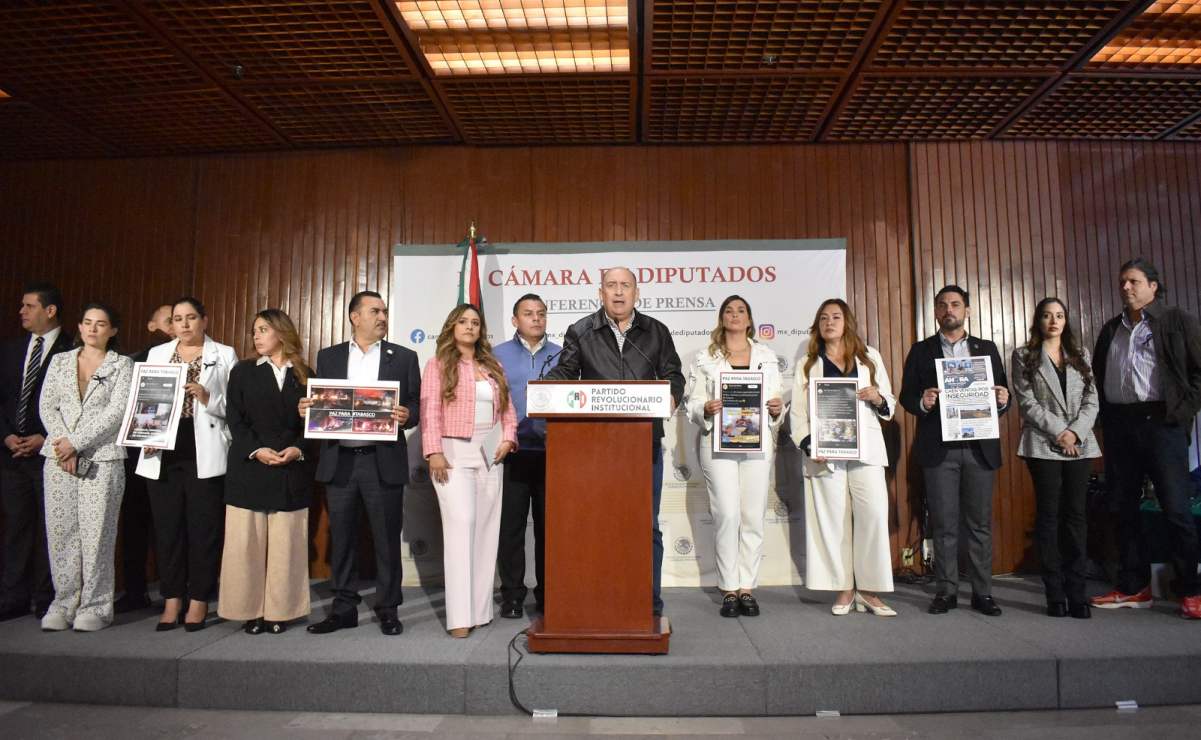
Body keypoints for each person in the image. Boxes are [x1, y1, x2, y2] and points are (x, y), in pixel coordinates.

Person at [545, 266, 685, 617]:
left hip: (644, 442)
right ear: (600, 293)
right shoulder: (581, 331)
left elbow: (673, 373)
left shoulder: (655, 331)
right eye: (611, 286)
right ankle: (600, 595)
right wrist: (547, 388)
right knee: (599, 522)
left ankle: (648, 602)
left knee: (646, 524)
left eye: (625, 286)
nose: (618, 292)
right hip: (595, 447)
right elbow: (565, 372)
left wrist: (671, 396)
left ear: (637, 293)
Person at [299, 290, 419, 637]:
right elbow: (323, 403)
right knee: (343, 538)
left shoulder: (404, 357)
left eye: (384, 311)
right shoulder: (329, 356)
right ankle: (343, 608)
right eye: (374, 311)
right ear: (354, 317)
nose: (382, 317)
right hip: (341, 460)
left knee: (385, 539)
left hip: (381, 461)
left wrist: (407, 413)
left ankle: (388, 608)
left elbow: (414, 403)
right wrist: (309, 410)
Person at [1090, 258, 1201, 619]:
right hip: (1121, 425)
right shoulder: (1111, 329)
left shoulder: (1176, 321)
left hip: (1162, 423)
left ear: (1154, 286)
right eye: (1123, 282)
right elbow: (1099, 377)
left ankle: (1190, 592)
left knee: (1176, 510)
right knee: (1122, 507)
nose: (1126, 288)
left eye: (1134, 281)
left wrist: (1182, 412)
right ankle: (1134, 587)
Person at [899, 285, 1010, 616]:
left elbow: (1001, 394)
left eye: (956, 304)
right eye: (943, 305)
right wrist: (924, 402)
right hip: (939, 449)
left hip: (979, 448)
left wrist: (1003, 402)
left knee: (979, 525)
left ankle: (982, 593)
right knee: (944, 524)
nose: (949, 310)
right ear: (935, 312)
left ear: (967, 310)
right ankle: (946, 591)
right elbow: (906, 396)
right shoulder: (921, 350)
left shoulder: (986, 349)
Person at [790, 299, 897, 617]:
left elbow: (889, 402)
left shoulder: (870, 357)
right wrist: (809, 444)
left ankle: (869, 590)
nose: (829, 322)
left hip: (866, 449)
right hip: (826, 453)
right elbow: (797, 413)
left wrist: (877, 397)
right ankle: (844, 589)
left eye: (835, 317)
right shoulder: (808, 364)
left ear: (847, 322)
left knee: (874, 515)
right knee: (833, 520)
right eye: (823, 317)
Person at [136, 297, 237, 631]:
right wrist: (142, 430)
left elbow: (236, 407)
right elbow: (143, 404)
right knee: (168, 530)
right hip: (163, 448)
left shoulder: (224, 354)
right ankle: (172, 599)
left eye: (191, 318)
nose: (184, 324)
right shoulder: (157, 355)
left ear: (204, 320)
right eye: (177, 319)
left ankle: (199, 600)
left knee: (203, 529)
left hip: (203, 448)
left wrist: (208, 397)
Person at [421, 304, 518, 637]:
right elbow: (430, 410)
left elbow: (508, 410)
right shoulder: (438, 365)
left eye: (475, 322)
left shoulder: (492, 365)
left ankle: (480, 611)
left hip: (490, 453)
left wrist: (509, 438)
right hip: (452, 451)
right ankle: (460, 618)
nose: (469, 327)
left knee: (486, 531)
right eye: (463, 321)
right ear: (452, 327)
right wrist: (433, 450)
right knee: (461, 528)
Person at [684, 296, 783, 618]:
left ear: (750, 319)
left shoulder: (767, 357)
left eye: (741, 311)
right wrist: (705, 409)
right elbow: (692, 404)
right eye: (729, 311)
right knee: (726, 514)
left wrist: (777, 410)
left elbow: (776, 404)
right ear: (721, 318)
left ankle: (747, 588)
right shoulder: (705, 358)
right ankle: (728, 588)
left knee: (752, 515)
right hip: (718, 443)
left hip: (757, 443)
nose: (735, 315)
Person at [37, 303, 133, 631]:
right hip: (58, 457)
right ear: (78, 327)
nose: (93, 329)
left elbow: (117, 411)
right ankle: (63, 602)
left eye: (101, 324)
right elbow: (48, 406)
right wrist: (64, 445)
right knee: (61, 531)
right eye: (87, 323)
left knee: (97, 533)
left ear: (113, 330)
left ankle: (95, 605)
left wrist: (77, 442)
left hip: (102, 457)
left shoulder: (122, 365)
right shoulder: (60, 361)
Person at [218, 309, 313, 635]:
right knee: (246, 546)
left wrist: (298, 448)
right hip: (250, 467)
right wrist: (256, 450)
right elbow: (235, 419)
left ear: (282, 333)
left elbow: (317, 424)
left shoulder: (305, 374)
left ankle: (280, 612)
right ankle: (249, 612)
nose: (256, 336)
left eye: (263, 330)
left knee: (287, 545)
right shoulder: (243, 372)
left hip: (290, 468)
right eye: (254, 330)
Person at [1011, 297, 1100, 620]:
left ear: (1066, 321)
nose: (1054, 321)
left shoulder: (1080, 355)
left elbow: (1092, 400)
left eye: (1060, 315)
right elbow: (1027, 401)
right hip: (1044, 444)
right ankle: (1055, 595)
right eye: (1047, 315)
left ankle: (1078, 594)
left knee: (1076, 517)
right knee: (1048, 517)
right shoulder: (1023, 356)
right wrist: (1060, 432)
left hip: (1080, 445)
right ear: (1038, 320)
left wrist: (1075, 433)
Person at [0, 282, 73, 621]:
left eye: (29, 306)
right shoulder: (12, 350)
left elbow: (75, 406)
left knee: (51, 528)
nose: (22, 312)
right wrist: (6, 436)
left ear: (50, 310)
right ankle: (13, 596)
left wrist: (47, 437)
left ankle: (47, 596)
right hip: (12, 454)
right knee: (16, 526)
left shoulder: (72, 350)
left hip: (52, 452)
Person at [493, 293, 560, 618]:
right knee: (511, 528)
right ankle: (513, 595)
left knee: (550, 529)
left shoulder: (563, 355)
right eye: (528, 313)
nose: (536, 319)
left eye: (541, 313)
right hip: (512, 452)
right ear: (515, 320)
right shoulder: (497, 355)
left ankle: (548, 595)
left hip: (553, 454)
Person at [116, 302, 176, 614]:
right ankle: (136, 589)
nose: (174, 326)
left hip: (182, 457)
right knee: (135, 524)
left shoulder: (198, 358)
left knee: (175, 528)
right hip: (141, 454)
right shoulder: (133, 363)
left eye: (180, 319)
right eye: (168, 320)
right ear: (152, 326)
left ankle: (177, 591)